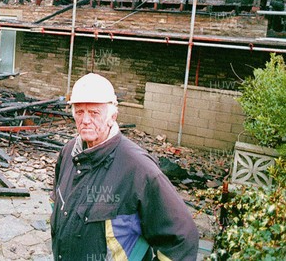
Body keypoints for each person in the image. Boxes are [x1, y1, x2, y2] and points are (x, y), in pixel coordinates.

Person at [50, 73, 199, 261]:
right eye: (80, 112)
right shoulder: (69, 152)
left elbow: (181, 239)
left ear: (112, 116)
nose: (85, 120)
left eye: (94, 112)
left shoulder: (138, 168)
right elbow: (57, 204)